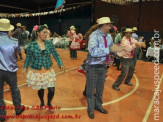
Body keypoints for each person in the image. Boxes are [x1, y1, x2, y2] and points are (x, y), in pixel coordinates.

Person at [22, 25, 65, 113]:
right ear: (38, 33)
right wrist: (25, 67)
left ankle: (49, 103)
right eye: (44, 32)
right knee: (41, 89)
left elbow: (55, 54)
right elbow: (28, 58)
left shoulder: (49, 43)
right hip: (37, 71)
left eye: (47, 33)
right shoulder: (31, 46)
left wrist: (60, 63)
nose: (46, 34)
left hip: (48, 69)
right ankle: (42, 101)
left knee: (51, 90)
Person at [85, 17, 114, 119]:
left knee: (100, 88)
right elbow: (93, 52)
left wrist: (118, 51)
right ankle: (91, 108)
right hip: (93, 66)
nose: (110, 26)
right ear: (104, 25)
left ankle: (98, 105)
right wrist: (110, 49)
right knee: (90, 89)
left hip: (103, 66)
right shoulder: (94, 36)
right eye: (109, 24)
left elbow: (112, 49)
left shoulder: (109, 37)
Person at [0, 18, 25, 122]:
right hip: (10, 71)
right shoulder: (14, 41)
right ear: (9, 29)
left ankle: (2, 114)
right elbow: (17, 52)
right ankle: (18, 109)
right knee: (14, 89)